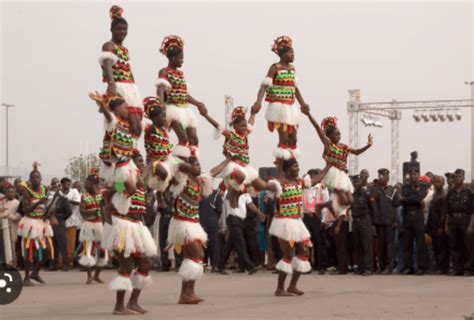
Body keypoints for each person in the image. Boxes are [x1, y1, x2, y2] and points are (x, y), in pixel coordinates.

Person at [167, 157, 230, 304]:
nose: (199, 167)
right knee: (198, 255)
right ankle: (186, 294)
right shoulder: (181, 181)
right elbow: (174, 173)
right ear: (189, 167)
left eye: (199, 164)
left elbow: (214, 171)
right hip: (182, 223)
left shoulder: (201, 181)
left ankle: (188, 293)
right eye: (195, 164)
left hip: (194, 223)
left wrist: (229, 159)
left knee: (191, 259)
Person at [102, 151, 157, 315]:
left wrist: (153, 159)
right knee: (126, 266)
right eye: (138, 161)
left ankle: (133, 302)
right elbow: (113, 192)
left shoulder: (139, 179)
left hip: (137, 227)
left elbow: (147, 171)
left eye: (142, 161)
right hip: (122, 226)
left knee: (145, 264)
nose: (141, 164)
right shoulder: (120, 179)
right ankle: (119, 306)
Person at [268, 159, 329, 296]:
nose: (298, 168)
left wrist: (328, 166)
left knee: (304, 253)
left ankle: (292, 286)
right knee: (288, 255)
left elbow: (316, 180)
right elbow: (270, 184)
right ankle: (279, 289)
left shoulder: (299, 182)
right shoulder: (281, 184)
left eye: (298, 166)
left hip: (297, 222)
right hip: (284, 223)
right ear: (288, 169)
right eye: (295, 166)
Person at [302, 108, 373, 216]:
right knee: (344, 200)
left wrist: (368, 145)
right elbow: (317, 128)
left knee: (350, 201)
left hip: (343, 175)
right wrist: (309, 115)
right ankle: (323, 206)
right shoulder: (328, 144)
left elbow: (357, 152)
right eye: (336, 135)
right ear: (329, 136)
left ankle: (327, 206)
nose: (339, 137)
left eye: (339, 134)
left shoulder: (344, 147)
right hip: (332, 174)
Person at [252, 36, 310, 162]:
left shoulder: (292, 69)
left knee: (293, 138)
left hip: (291, 107)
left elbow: (295, 88)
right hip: (279, 107)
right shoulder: (275, 67)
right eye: (290, 53)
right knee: (283, 137)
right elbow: (264, 86)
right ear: (282, 54)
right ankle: (280, 169)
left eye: (293, 53)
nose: (293, 55)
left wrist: (303, 103)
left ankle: (292, 164)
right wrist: (258, 102)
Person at [156, 35, 207, 158]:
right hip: (173, 109)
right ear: (173, 58)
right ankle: (178, 166)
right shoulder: (164, 71)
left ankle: (192, 165)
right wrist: (161, 108)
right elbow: (160, 90)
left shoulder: (180, 74)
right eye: (180, 58)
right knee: (183, 139)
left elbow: (184, 94)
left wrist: (198, 103)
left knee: (194, 140)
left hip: (186, 110)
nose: (182, 61)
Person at [89, 92, 137, 215]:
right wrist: (101, 103)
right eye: (124, 107)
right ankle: (108, 205)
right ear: (116, 109)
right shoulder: (113, 121)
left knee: (126, 187)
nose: (127, 110)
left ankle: (109, 197)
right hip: (117, 165)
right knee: (131, 189)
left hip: (126, 162)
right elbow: (107, 114)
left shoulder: (126, 124)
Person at [99, 5, 142, 139]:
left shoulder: (125, 49)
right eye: (119, 29)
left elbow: (129, 70)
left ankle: (132, 152)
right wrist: (111, 83)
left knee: (137, 125)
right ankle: (119, 152)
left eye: (125, 29)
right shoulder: (109, 45)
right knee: (122, 122)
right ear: (111, 29)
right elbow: (107, 63)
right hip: (118, 86)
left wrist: (135, 89)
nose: (122, 32)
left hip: (130, 88)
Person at [18, 163, 54, 286]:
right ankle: (26, 277)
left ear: (41, 179)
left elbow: (46, 205)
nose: (36, 179)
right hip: (30, 222)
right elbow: (26, 210)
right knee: (29, 250)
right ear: (30, 179)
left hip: (42, 222)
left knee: (48, 251)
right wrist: (39, 202)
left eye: (38, 177)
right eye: (33, 177)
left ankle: (35, 273)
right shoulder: (26, 191)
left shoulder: (45, 189)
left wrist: (49, 210)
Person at [77, 168, 108, 284]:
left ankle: (97, 275)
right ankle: (89, 276)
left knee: (104, 251)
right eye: (85, 183)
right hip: (88, 225)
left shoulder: (103, 194)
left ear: (94, 184)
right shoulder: (84, 196)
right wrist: (93, 212)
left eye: (87, 183)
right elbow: (82, 211)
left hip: (101, 225)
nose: (85, 185)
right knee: (87, 250)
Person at [444, 169, 474, 276]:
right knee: (455, 246)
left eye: (459, 177)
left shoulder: (469, 193)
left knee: (467, 246)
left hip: (465, 220)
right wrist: (446, 225)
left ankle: (468, 269)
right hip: (453, 221)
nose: (457, 179)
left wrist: (471, 225)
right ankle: (457, 268)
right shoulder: (450, 193)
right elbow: (447, 211)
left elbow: (472, 211)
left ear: (463, 178)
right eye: (455, 177)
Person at [399, 168, 429, 275]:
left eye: (415, 174)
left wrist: (406, 199)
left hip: (417, 216)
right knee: (407, 243)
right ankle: (408, 267)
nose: (413, 176)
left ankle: (421, 267)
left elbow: (419, 198)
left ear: (418, 176)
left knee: (420, 244)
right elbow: (400, 200)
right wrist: (410, 199)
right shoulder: (405, 187)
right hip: (407, 216)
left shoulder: (423, 186)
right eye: (411, 174)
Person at [302, 169, 330, 274]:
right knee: (306, 243)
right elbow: (301, 204)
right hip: (306, 217)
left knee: (320, 242)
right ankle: (307, 265)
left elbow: (326, 205)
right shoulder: (304, 188)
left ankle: (321, 266)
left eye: (313, 176)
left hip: (317, 217)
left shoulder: (322, 188)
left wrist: (324, 220)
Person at [372, 168, 399, 274]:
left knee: (390, 245)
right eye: (380, 175)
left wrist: (395, 220)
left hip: (389, 221)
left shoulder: (392, 190)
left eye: (384, 175)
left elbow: (396, 206)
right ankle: (382, 266)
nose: (382, 177)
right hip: (378, 222)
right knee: (380, 245)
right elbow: (372, 206)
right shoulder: (374, 190)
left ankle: (389, 266)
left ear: (388, 177)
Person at [351, 175, 377, 276]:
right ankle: (360, 267)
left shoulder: (367, 193)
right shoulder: (352, 195)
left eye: (358, 181)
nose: (356, 183)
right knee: (358, 245)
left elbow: (373, 209)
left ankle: (368, 268)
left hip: (365, 220)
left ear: (361, 182)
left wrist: (373, 224)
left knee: (367, 245)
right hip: (355, 221)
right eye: (355, 182)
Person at [426, 175, 449, 274]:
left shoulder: (443, 196)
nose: (437, 184)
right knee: (435, 247)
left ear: (443, 184)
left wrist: (441, 226)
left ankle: (443, 268)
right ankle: (438, 266)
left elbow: (444, 212)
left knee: (442, 248)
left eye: (440, 182)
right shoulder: (434, 195)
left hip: (439, 226)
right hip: (432, 225)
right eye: (436, 182)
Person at [199, 189, 223, 273]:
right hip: (202, 221)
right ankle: (204, 264)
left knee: (214, 244)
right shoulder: (198, 192)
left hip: (209, 222)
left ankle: (214, 265)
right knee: (203, 244)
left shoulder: (216, 194)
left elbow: (219, 210)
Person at [60, 177, 81, 270]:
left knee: (71, 243)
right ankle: (61, 263)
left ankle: (70, 263)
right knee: (62, 243)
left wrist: (68, 201)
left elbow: (78, 202)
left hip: (72, 220)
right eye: (64, 183)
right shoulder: (58, 193)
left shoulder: (74, 191)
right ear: (61, 184)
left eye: (68, 183)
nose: (66, 185)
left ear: (70, 184)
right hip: (61, 220)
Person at [0, 185, 21, 268]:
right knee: (4, 245)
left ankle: (13, 264)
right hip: (4, 226)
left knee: (12, 244)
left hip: (13, 226)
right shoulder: (2, 202)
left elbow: (18, 215)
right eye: (8, 192)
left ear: (14, 193)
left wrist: (10, 216)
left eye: (12, 192)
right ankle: (5, 262)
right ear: (6, 193)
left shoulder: (17, 203)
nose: (10, 194)